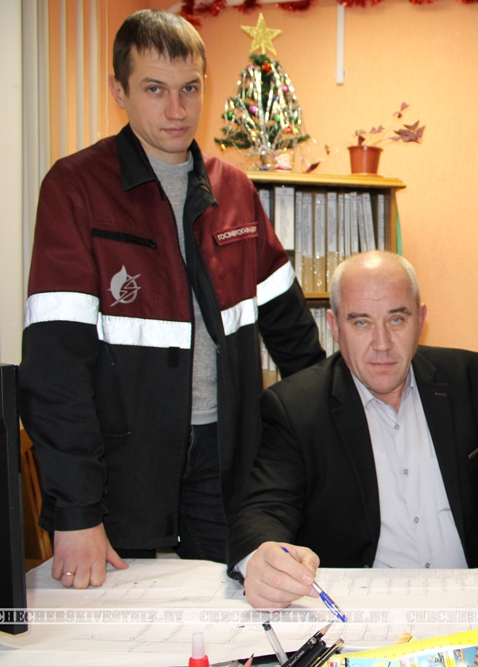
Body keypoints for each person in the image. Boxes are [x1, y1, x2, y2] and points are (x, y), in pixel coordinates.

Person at [19, 10, 324, 589]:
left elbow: (295, 341)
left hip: (224, 462)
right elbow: (55, 369)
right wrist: (76, 510)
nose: (177, 110)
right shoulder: (75, 188)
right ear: (119, 91)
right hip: (118, 471)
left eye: (190, 89)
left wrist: (325, 449)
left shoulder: (234, 190)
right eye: (155, 90)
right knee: (122, 624)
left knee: (228, 611)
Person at [227, 251, 478, 609]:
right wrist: (262, 558)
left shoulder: (467, 377)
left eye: (396, 319)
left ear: (421, 320)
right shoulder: (295, 407)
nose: (381, 344)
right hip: (364, 611)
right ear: (334, 327)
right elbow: (264, 510)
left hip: (474, 599)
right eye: (361, 323)